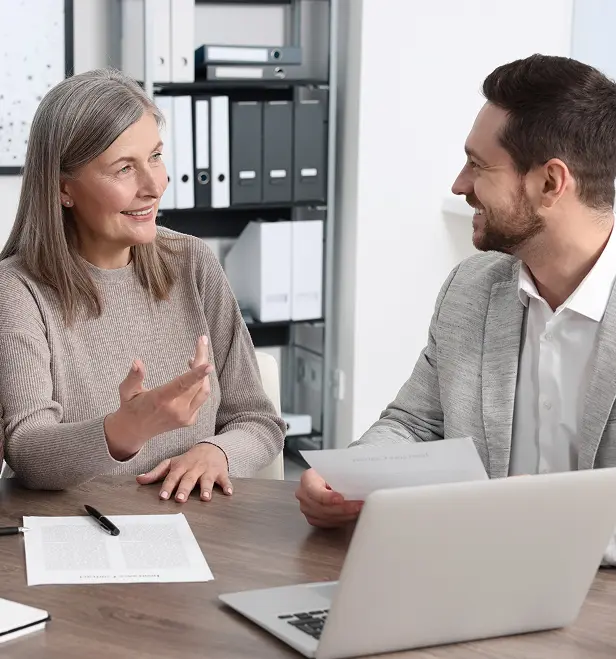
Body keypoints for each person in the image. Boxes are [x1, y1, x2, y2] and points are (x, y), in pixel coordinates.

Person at [296, 53, 616, 539]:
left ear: (550, 183)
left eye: (477, 165)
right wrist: (350, 477)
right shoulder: (472, 289)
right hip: (470, 576)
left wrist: (549, 522)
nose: (459, 185)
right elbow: (414, 425)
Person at [0, 68, 286, 501]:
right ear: (64, 189)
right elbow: (28, 450)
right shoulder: (18, 289)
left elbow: (257, 419)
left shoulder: (193, 262)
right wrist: (127, 428)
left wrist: (217, 452)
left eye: (155, 156)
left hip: (200, 530)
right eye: (124, 169)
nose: (155, 186)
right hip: (80, 534)